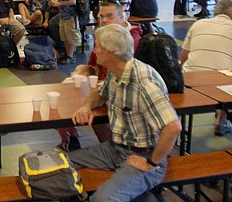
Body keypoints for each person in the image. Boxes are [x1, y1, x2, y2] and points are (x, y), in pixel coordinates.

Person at [68, 24, 182, 202]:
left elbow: (173, 127)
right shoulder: (117, 72)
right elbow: (100, 93)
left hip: (143, 155)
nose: (94, 50)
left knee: (102, 200)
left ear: (109, 53)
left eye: (97, 46)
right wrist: (86, 105)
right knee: (60, 164)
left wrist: (151, 162)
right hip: (116, 149)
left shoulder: (143, 83)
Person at [180, 0, 232, 136]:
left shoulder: (199, 24)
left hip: (190, 77)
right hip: (221, 82)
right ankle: (221, 122)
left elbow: (184, 55)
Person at [47, 0, 79, 65]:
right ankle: (67, 53)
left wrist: (58, 3)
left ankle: (71, 55)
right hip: (63, 15)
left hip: (70, 15)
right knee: (64, 35)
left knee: (70, 36)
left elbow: (73, 1)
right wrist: (52, 0)